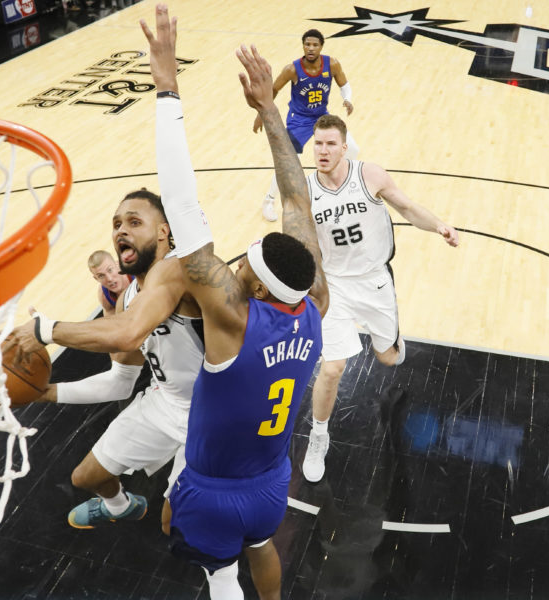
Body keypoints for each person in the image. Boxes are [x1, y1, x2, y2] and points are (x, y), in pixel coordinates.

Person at [140, 5, 328, 599]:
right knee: (262, 548)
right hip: (273, 483)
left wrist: (167, 88)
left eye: (244, 264)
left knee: (218, 569)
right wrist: (271, 110)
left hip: (212, 488)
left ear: (252, 283)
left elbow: (182, 201)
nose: (236, 264)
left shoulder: (231, 317)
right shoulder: (315, 300)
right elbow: (298, 203)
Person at [10, 187, 204, 534]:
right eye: (116, 224)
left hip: (213, 414)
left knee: (172, 525)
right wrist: (46, 392)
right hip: (167, 401)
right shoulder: (129, 297)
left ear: (164, 232)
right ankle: (122, 506)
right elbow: (120, 381)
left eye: (133, 221)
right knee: (86, 476)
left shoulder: (180, 274)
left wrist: (48, 329)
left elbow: (127, 333)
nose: (120, 231)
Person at [300, 112, 459, 483]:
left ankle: (393, 340)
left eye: (329, 144)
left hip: (374, 283)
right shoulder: (305, 189)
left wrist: (439, 225)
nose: (322, 150)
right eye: (317, 143)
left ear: (344, 146)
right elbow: (301, 243)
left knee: (388, 358)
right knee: (333, 367)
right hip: (334, 287)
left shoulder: (368, 175)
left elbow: (406, 207)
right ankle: (318, 437)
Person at [256, 29, 359, 223]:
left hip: (321, 115)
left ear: (321, 46)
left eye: (315, 45)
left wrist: (347, 99)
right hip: (299, 118)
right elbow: (274, 89)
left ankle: (338, 187)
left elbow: (344, 85)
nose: (311, 48)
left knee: (352, 149)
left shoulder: (332, 64)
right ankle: (269, 200)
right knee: (288, 161)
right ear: (303, 45)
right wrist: (262, 113)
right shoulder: (292, 69)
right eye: (307, 44)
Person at [88, 249, 132, 316]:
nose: (109, 279)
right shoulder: (104, 297)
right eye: (101, 276)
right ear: (96, 279)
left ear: (117, 264)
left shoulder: (135, 273)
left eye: (110, 270)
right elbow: (114, 323)